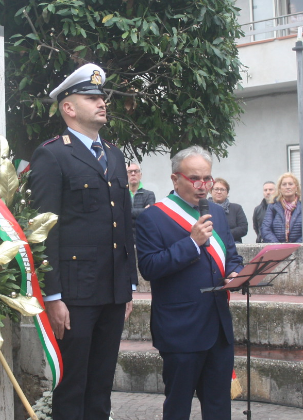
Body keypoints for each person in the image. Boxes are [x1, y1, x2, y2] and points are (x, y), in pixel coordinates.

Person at [29, 63, 137, 420]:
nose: (101, 102)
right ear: (69, 108)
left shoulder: (115, 155)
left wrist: (128, 284)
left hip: (112, 289)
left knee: (101, 383)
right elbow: (45, 231)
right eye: (91, 97)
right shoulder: (52, 154)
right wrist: (53, 296)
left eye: (101, 96)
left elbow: (125, 225)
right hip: (74, 294)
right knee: (72, 384)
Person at [135, 146, 243, 420]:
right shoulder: (153, 217)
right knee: (178, 406)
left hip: (218, 327)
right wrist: (192, 243)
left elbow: (232, 257)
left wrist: (234, 273)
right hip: (180, 328)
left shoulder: (217, 213)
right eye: (195, 178)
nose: (203, 186)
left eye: (207, 178)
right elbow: (149, 267)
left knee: (219, 407)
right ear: (175, 179)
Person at [261, 173, 303, 243]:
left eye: (290, 184)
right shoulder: (273, 206)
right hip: (278, 250)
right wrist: (278, 246)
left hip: (300, 250)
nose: (287, 187)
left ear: (296, 187)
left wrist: (296, 247)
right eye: (284, 184)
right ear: (280, 188)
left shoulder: (301, 205)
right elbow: (265, 229)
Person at [208, 177, 248, 243]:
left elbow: (243, 229)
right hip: (211, 243)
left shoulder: (236, 208)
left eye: (222, 189)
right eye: (216, 189)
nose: (219, 192)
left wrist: (225, 234)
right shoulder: (205, 208)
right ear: (211, 191)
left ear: (227, 193)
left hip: (233, 242)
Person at [127, 162, 155, 238]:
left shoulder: (149, 194)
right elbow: (119, 213)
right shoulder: (121, 194)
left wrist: (127, 212)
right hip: (125, 238)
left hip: (143, 237)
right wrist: (143, 210)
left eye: (136, 171)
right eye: (130, 172)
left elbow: (150, 213)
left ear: (140, 175)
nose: (133, 174)